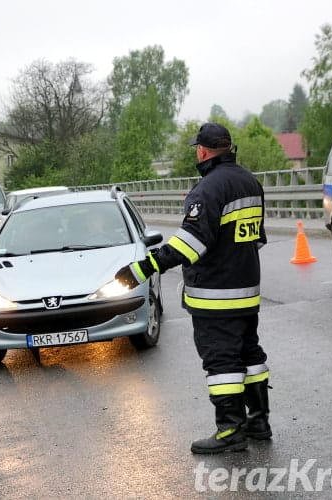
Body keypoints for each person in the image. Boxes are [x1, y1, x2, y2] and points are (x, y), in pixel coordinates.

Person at [115, 123, 270, 455]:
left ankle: (230, 431)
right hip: (247, 290)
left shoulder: (207, 190)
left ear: (202, 151)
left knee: (222, 360)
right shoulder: (250, 181)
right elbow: (257, 235)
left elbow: (190, 245)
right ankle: (259, 422)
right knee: (250, 354)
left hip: (216, 295)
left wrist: (144, 268)